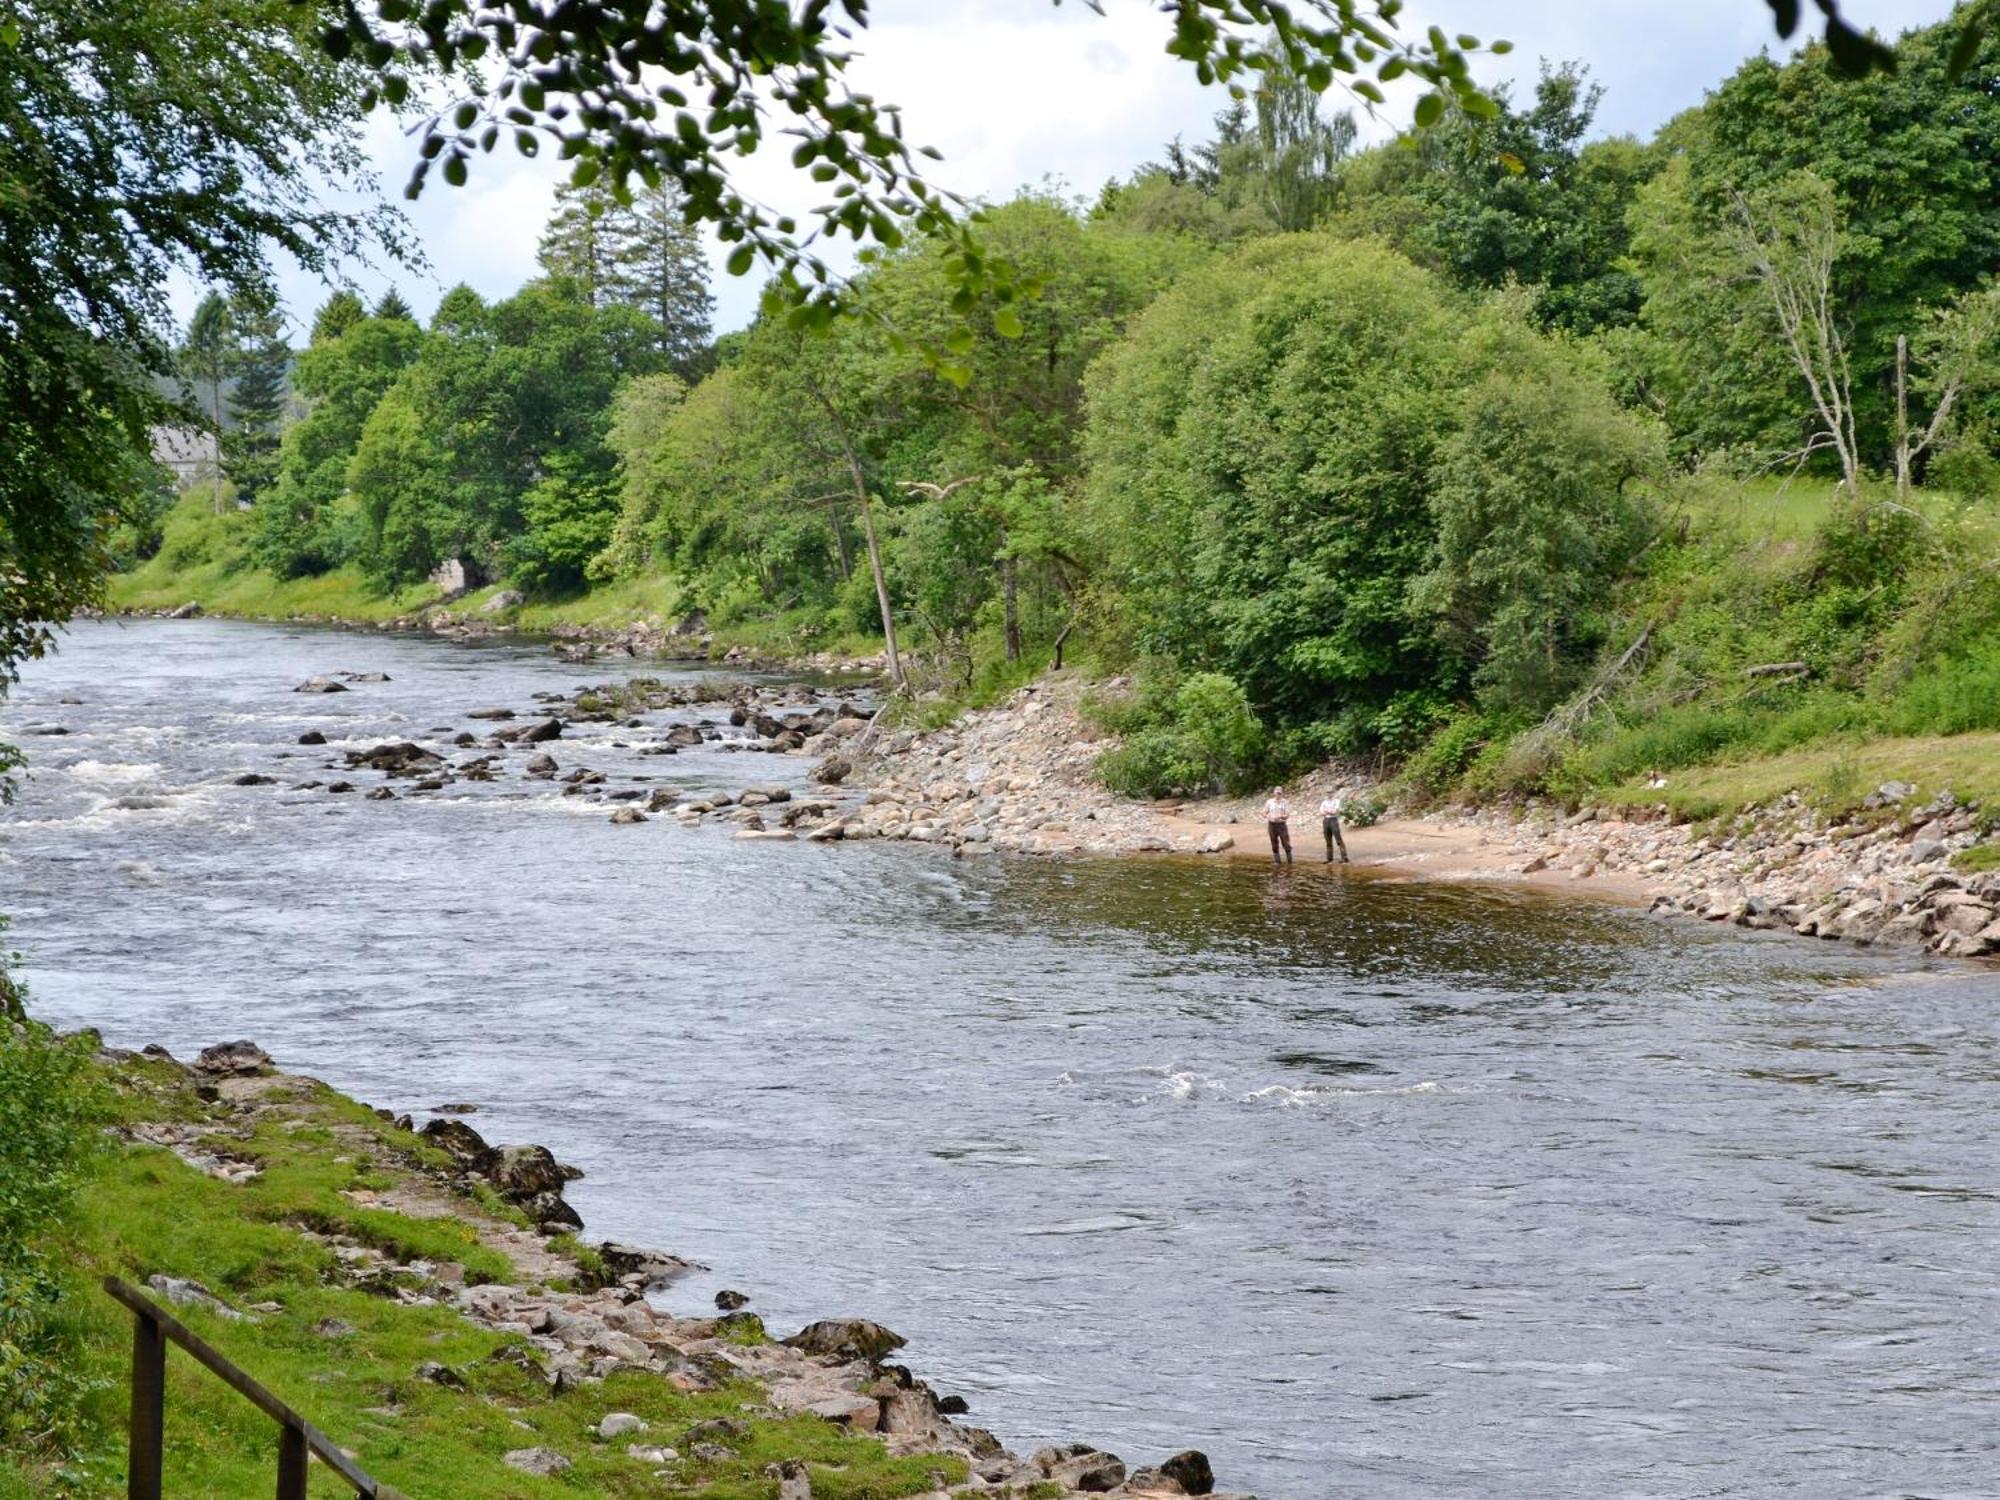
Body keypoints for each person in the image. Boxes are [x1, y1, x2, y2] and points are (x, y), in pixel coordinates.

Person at [1263, 787, 1292, 866]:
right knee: (1274, 843)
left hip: (1281, 825)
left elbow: (1287, 815)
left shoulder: (1285, 802)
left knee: (1286, 843)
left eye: (1280, 793)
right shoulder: (1269, 802)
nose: (1278, 795)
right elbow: (1264, 812)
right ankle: (1277, 861)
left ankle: (1289, 862)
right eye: (1277, 793)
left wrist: (1281, 816)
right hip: (1272, 825)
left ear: (1282, 793)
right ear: (1274, 793)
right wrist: (1268, 817)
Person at [1319, 791, 1349, 864]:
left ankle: (1344, 857)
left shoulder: (1337, 801)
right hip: (1326, 820)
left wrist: (1327, 811)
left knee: (1338, 839)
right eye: (1328, 793)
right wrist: (1329, 811)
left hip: (1333, 820)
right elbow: (1321, 812)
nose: (1329, 794)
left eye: (1330, 793)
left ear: (1333, 794)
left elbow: (1335, 811)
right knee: (1328, 840)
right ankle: (1329, 858)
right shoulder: (1324, 802)